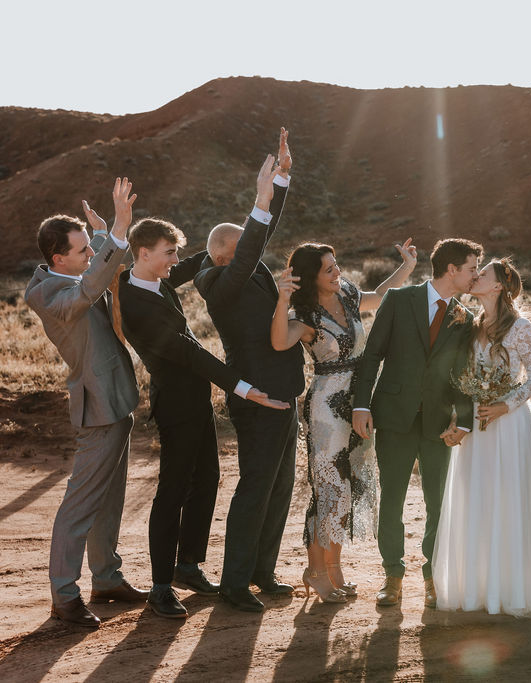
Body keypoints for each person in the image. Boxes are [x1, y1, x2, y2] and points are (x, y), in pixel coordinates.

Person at [119, 218, 290, 618]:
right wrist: (243, 387)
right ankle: (161, 586)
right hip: (176, 407)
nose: (175, 262)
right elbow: (189, 351)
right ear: (144, 254)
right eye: (169, 253)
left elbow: (208, 257)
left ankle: (188, 564)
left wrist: (261, 207)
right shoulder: (132, 300)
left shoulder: (157, 274)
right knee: (172, 491)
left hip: (196, 400)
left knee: (208, 479)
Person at [24, 178, 147, 628]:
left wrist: (101, 235)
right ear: (58, 259)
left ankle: (107, 578)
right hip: (96, 409)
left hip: (116, 401)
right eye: (82, 251)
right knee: (80, 505)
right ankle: (64, 595)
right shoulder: (51, 295)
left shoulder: (68, 273)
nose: (89, 256)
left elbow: (93, 267)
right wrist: (116, 230)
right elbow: (89, 288)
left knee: (109, 500)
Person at [270, 238, 417, 603]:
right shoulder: (302, 315)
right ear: (311, 277)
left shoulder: (348, 294)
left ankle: (334, 570)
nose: (338, 273)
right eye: (329, 269)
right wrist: (281, 300)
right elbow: (278, 344)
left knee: (348, 488)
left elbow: (381, 295)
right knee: (329, 490)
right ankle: (317, 572)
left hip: (359, 403)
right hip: (325, 408)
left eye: (337, 265)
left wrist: (407, 268)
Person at [193, 130, 303, 613]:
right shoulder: (219, 282)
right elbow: (252, 241)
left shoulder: (249, 269)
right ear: (224, 256)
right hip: (257, 395)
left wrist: (280, 182)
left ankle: (262, 570)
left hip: (286, 391)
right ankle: (235, 583)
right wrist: (259, 202)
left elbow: (261, 236)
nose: (253, 255)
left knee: (280, 485)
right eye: (242, 251)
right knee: (256, 486)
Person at [352, 238, 483, 608]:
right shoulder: (399, 300)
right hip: (393, 415)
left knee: (438, 501)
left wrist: (466, 422)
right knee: (392, 499)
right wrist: (361, 406)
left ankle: (433, 576)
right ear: (452, 269)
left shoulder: (465, 318)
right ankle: (392, 573)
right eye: (472, 268)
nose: (475, 275)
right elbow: (372, 355)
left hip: (438, 423)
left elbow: (463, 375)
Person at [431, 259, 531, 617]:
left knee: (508, 499)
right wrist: (461, 416)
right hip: (476, 422)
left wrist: (505, 405)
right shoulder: (470, 326)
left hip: (509, 424)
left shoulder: (521, 328)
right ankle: (478, 586)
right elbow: (460, 375)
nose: (475, 276)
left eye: (482, 273)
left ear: (499, 285)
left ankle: (513, 588)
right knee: (477, 497)